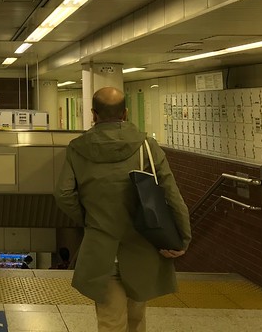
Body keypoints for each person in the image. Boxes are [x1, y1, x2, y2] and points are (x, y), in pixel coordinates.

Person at [54, 87, 191, 332]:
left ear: (93, 114)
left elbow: (63, 194)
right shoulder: (147, 146)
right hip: (142, 248)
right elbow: (171, 194)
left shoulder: (77, 148)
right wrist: (182, 238)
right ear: (125, 113)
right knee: (137, 320)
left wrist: (90, 219)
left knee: (110, 322)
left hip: (101, 250)